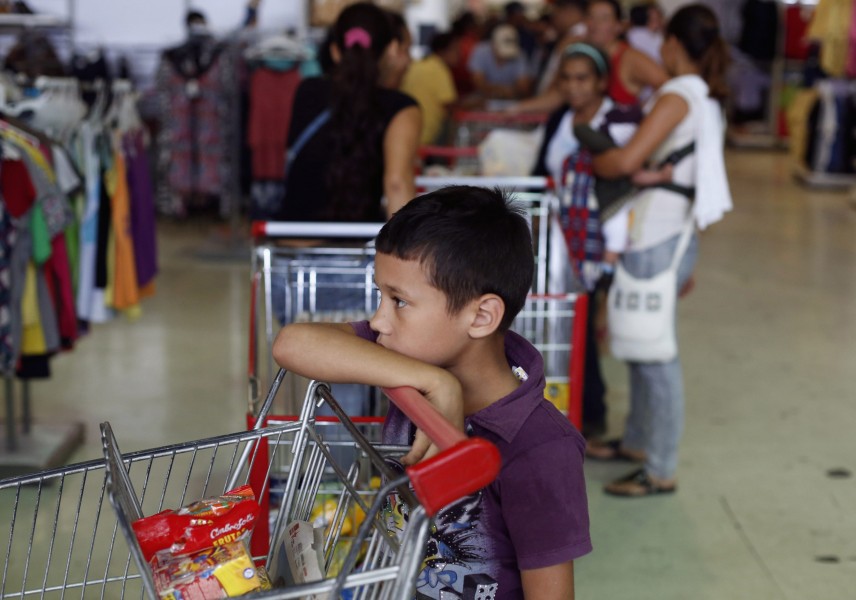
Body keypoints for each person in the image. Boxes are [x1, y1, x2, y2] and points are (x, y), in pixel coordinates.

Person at [273, 186, 592, 598]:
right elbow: (291, 343)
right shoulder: (413, 365)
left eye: (399, 301)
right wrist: (437, 383)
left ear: (480, 315)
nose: (379, 319)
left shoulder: (540, 446)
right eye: (380, 295)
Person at [588, 3, 733, 496]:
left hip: (655, 237)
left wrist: (594, 154)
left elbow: (627, 160)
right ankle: (637, 442)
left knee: (654, 354)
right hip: (672, 235)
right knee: (639, 343)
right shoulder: (703, 96)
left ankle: (661, 465)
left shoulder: (676, 95)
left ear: (671, 44)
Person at [532, 42, 642, 439]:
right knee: (566, 330)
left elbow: (626, 188)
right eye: (567, 78)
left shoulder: (620, 122)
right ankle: (573, 412)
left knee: (590, 335)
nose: (574, 87)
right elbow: (542, 171)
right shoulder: (561, 117)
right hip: (563, 239)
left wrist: (612, 258)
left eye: (583, 78)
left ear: (600, 81)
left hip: (604, 244)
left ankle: (593, 416)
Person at [281, 2, 420, 222]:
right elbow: (397, 186)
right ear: (392, 49)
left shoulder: (306, 91)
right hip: (355, 247)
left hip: (292, 244)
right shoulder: (401, 108)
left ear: (336, 52)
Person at [510, 0, 667, 114]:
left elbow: (667, 86)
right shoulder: (580, 52)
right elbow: (558, 95)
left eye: (603, 18)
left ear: (619, 26)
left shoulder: (630, 58)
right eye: (590, 17)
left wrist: (641, 114)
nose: (594, 24)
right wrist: (516, 109)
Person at [401, 32, 459, 145]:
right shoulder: (439, 69)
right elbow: (449, 103)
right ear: (443, 50)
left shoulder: (420, 64)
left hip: (409, 131)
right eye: (455, 49)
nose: (459, 54)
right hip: (426, 135)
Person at [534, 0, 589, 95]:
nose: (554, 19)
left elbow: (558, 83)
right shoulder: (570, 36)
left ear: (568, 12)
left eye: (556, 12)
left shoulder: (575, 39)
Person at [468, 23, 533, 100]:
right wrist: (504, 91)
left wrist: (496, 90)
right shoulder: (480, 50)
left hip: (511, 101)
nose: (504, 57)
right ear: (493, 45)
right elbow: (478, 82)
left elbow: (524, 87)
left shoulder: (520, 55)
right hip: (483, 99)